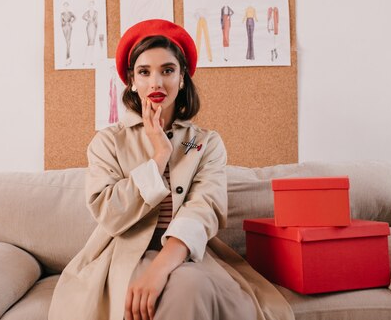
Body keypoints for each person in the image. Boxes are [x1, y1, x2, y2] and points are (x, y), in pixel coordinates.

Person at [48, 19, 293, 320]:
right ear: (132, 81)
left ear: (182, 78)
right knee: (137, 295)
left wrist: (161, 268)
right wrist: (159, 156)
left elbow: (205, 208)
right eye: (144, 72)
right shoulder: (108, 142)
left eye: (167, 70)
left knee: (190, 285)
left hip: (185, 251)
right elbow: (110, 212)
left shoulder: (204, 143)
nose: (156, 83)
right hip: (122, 253)